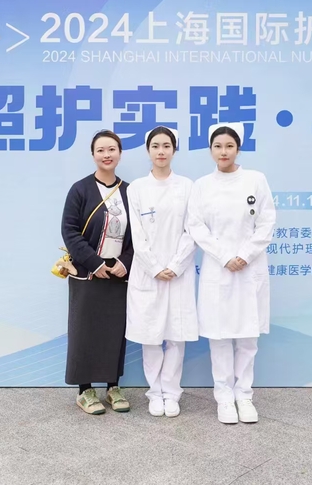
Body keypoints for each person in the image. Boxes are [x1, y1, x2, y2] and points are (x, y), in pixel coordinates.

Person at [187, 123, 276, 424]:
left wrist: (245, 255)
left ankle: (244, 396)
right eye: (217, 146)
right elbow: (196, 226)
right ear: (210, 150)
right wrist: (225, 256)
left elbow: (267, 222)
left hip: (250, 267)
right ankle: (224, 397)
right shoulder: (202, 185)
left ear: (238, 148)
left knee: (248, 338)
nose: (223, 152)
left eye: (229, 146)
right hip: (218, 267)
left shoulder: (255, 180)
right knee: (220, 337)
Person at [126, 126, 197, 418]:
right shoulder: (136, 188)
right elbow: (137, 235)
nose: (161, 151)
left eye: (166, 145)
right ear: (148, 150)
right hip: (148, 272)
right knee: (151, 335)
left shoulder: (187, 187)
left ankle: (172, 392)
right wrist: (155, 268)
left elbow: (192, 230)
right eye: (155, 146)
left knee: (176, 337)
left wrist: (176, 265)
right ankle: (155, 393)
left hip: (178, 273)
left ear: (174, 150)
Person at [61, 130, 134, 415]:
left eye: (112, 149)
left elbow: (140, 236)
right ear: (93, 155)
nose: (107, 154)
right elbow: (69, 231)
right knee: (85, 330)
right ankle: (85, 390)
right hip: (88, 272)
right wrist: (95, 263)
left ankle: (113, 387)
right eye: (101, 150)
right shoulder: (80, 190)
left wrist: (124, 262)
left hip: (118, 274)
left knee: (115, 331)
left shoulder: (130, 192)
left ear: (120, 153)